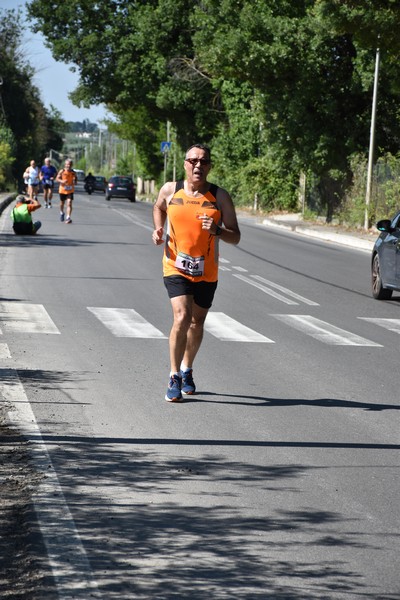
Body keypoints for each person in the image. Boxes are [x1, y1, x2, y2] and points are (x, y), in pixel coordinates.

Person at [152, 143, 241, 402]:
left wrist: (217, 230)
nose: (198, 166)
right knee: (182, 317)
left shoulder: (220, 196)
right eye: (193, 161)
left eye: (203, 161)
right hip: (175, 265)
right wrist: (158, 229)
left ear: (210, 166)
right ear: (185, 164)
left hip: (207, 270)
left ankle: (187, 369)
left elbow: (235, 236)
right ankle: (173, 376)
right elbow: (159, 207)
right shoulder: (170, 190)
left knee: (196, 322)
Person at [56, 158, 77, 224]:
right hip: (62, 190)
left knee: (69, 202)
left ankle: (68, 217)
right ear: (65, 165)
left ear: (71, 165)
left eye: (70, 164)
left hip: (70, 190)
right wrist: (62, 181)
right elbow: (57, 179)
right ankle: (62, 212)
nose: (68, 166)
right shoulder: (62, 171)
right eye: (67, 164)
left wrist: (75, 182)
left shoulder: (73, 172)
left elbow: (76, 179)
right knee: (62, 203)